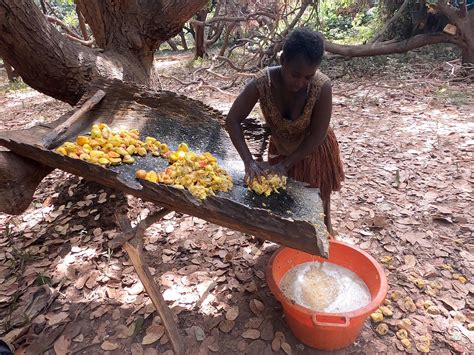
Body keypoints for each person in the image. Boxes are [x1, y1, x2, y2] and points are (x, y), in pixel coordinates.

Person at [225, 27, 344, 235]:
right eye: (295, 75)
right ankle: (289, 238)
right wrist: (248, 162)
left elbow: (317, 135)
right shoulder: (262, 83)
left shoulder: (321, 87)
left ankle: (325, 234)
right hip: (282, 145)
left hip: (314, 148)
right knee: (285, 199)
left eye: (308, 77)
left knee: (318, 200)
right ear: (283, 61)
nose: (300, 83)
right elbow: (233, 120)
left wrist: (286, 164)